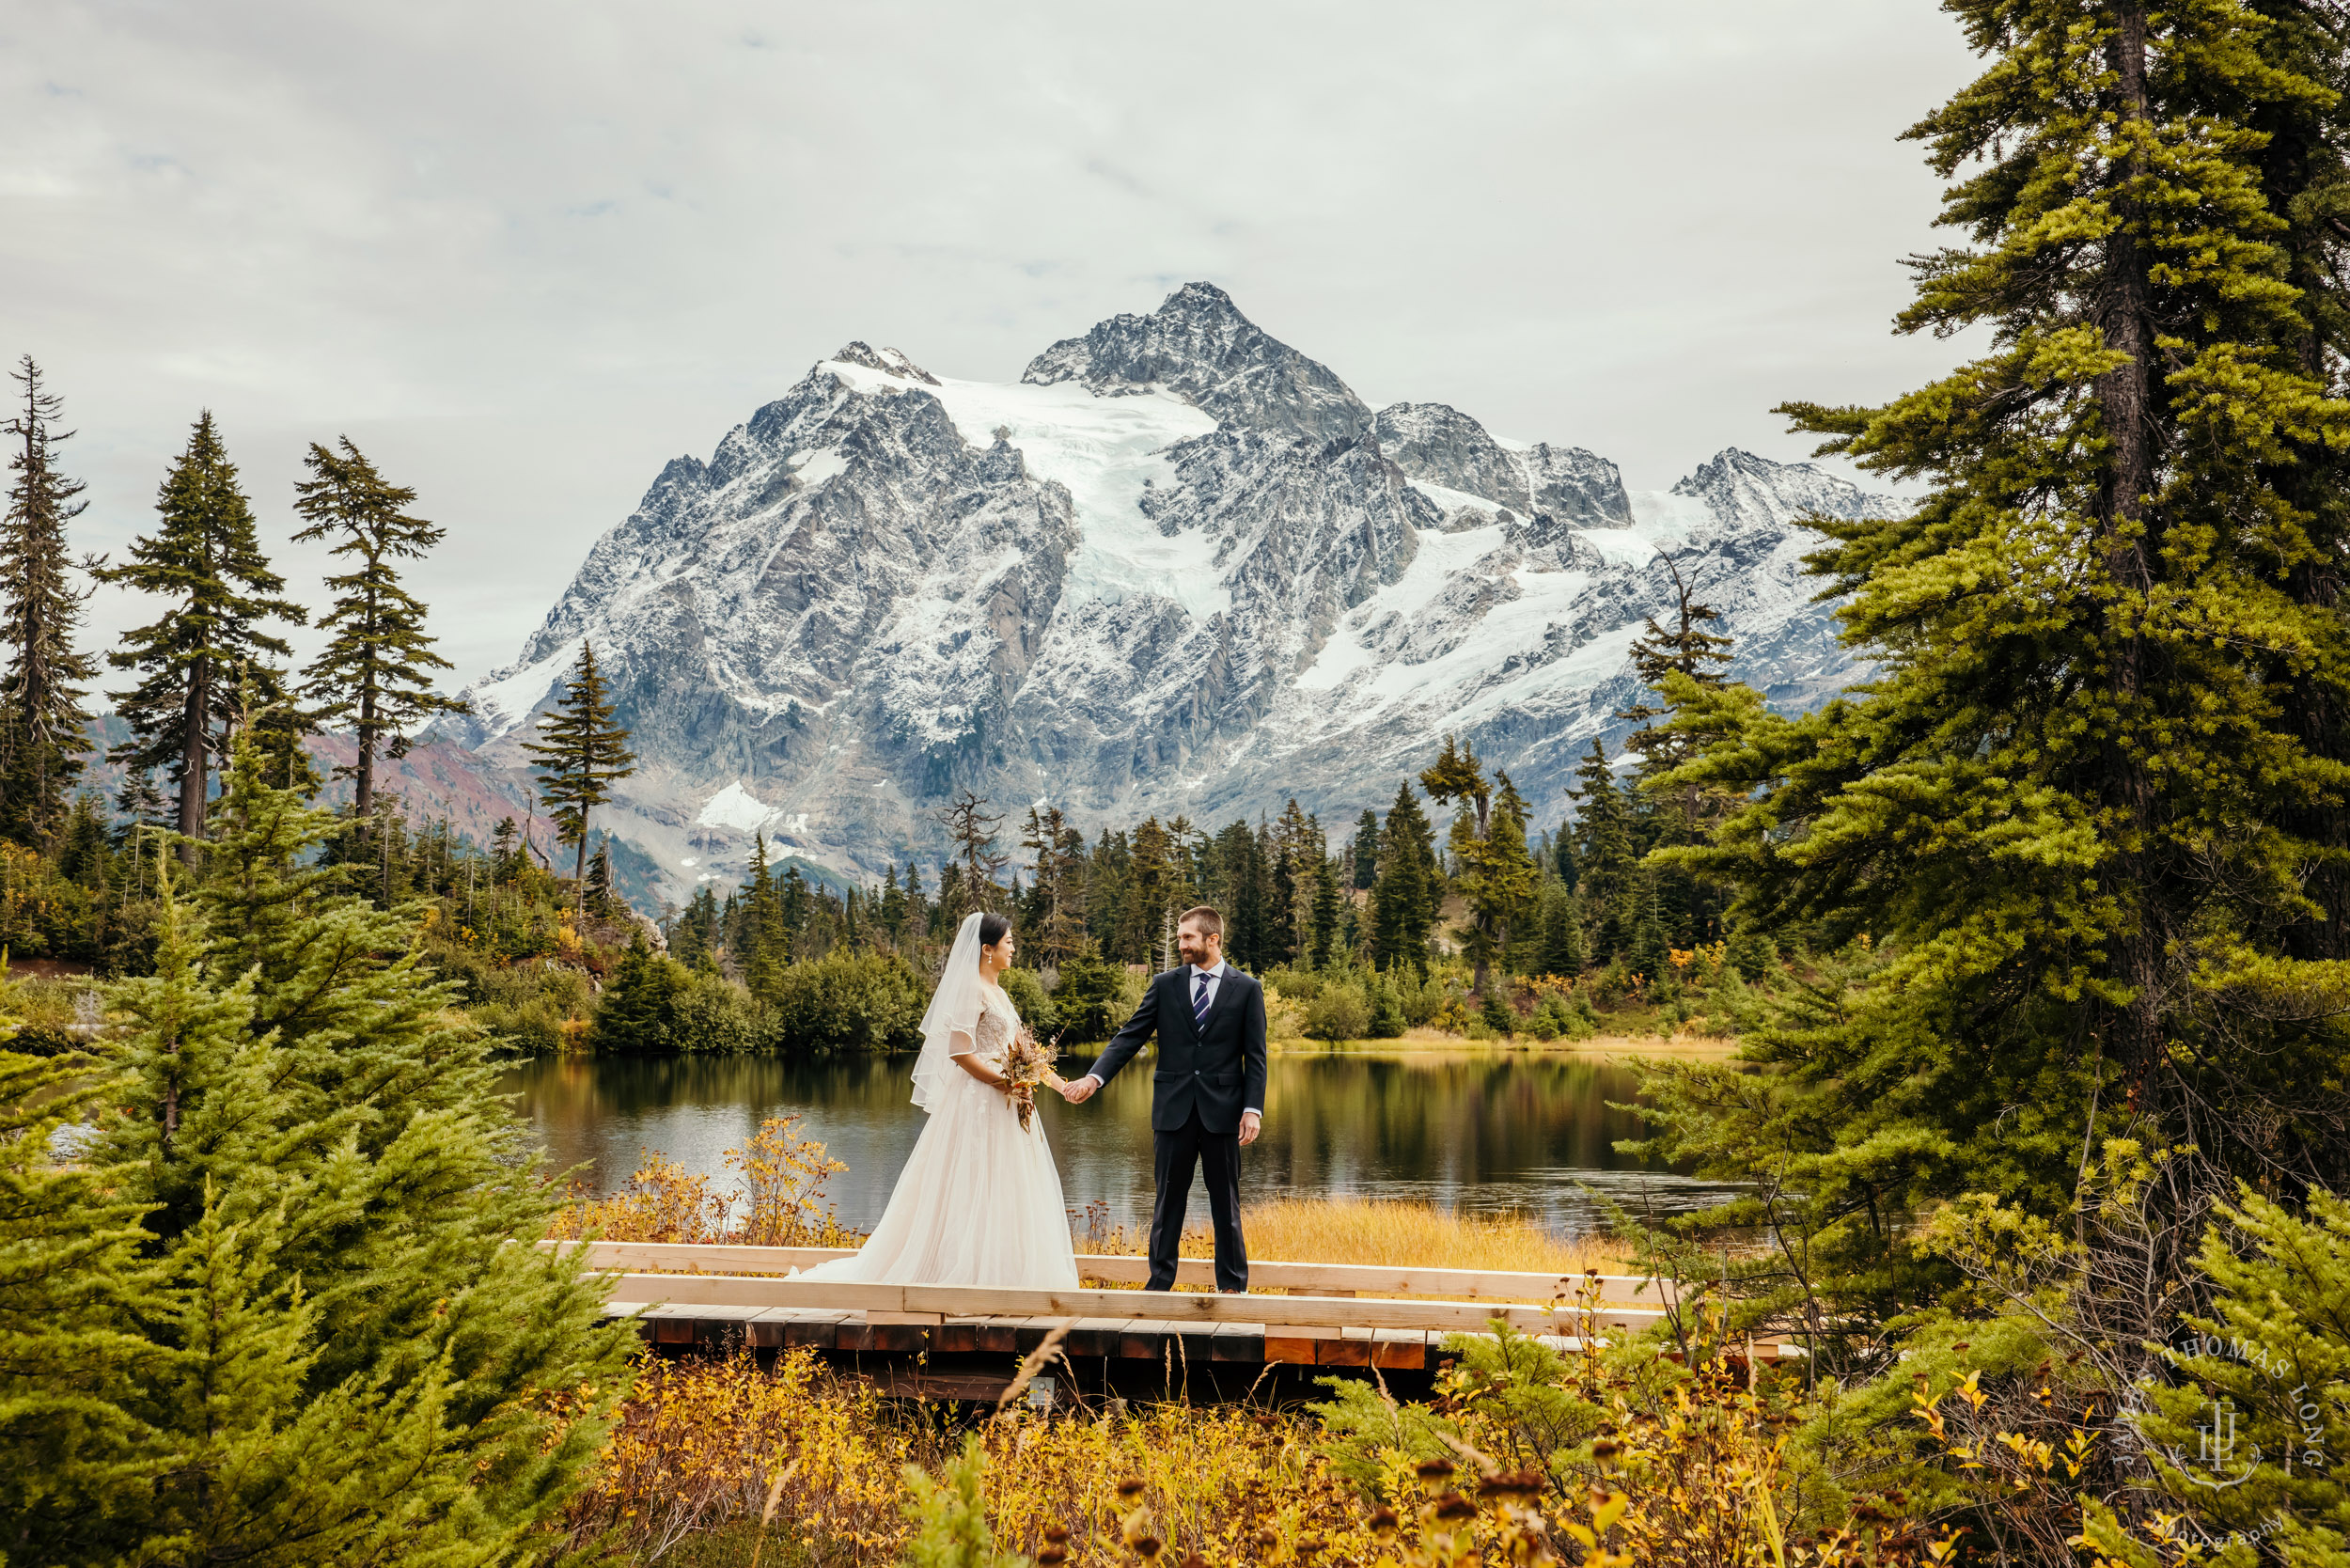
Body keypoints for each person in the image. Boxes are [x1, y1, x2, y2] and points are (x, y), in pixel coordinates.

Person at [792, 910, 1079, 1288]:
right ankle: (958, 1273)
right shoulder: (970, 990)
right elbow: (960, 1053)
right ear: (987, 949)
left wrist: (1064, 1088)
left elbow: (1026, 1054)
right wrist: (1003, 1083)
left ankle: (1002, 1273)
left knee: (1006, 1187)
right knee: (971, 1182)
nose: (1014, 949)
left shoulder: (1000, 993)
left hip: (1008, 1104)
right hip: (979, 1102)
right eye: (1009, 942)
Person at [1060, 905, 1267, 1292]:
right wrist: (1094, 1077)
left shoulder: (1247, 989)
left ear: (1212, 939)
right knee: (1167, 1203)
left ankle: (1233, 1286)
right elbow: (1129, 1036)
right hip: (1172, 1112)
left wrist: (1252, 1109)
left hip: (1224, 1114)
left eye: (1188, 937)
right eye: (1179, 937)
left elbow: (1256, 1056)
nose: (1181, 944)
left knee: (1227, 1204)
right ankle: (1159, 1284)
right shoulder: (1165, 984)